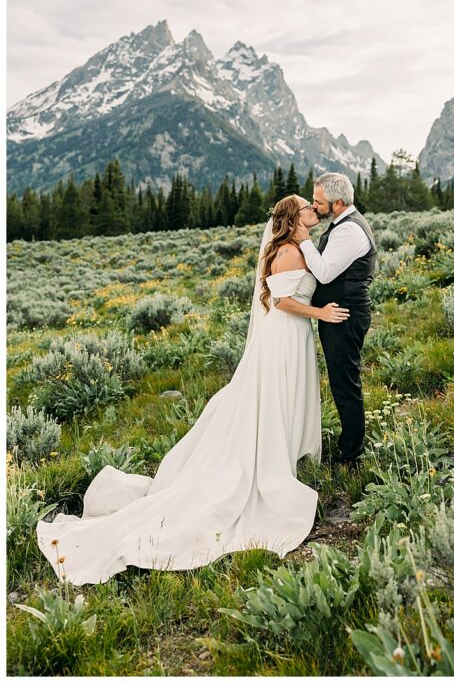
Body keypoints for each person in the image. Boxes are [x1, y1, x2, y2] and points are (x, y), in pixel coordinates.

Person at [37, 195, 349, 586]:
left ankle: (288, 452)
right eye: (307, 207)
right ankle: (275, 461)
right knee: (274, 398)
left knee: (281, 399)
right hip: (284, 338)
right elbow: (284, 301)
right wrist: (320, 313)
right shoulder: (286, 252)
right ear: (293, 217)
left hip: (290, 337)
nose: (313, 211)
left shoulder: (297, 247)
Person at [295, 172, 376, 468]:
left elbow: (325, 272)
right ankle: (349, 447)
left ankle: (351, 455)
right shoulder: (342, 225)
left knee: (345, 383)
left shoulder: (349, 231)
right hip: (337, 313)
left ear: (338, 202)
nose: (314, 206)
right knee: (342, 380)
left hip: (344, 315)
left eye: (318, 202)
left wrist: (304, 241)